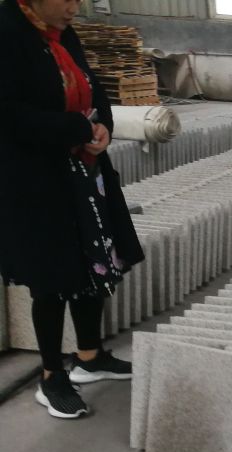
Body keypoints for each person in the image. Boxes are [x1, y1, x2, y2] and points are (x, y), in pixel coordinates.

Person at [0, 0, 144, 418]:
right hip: (35, 178)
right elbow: (9, 114)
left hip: (83, 169)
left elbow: (93, 88)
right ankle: (51, 376)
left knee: (92, 261)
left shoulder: (64, 35)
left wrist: (103, 128)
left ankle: (89, 356)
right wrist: (78, 128)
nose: (74, 7)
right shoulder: (8, 34)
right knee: (51, 272)